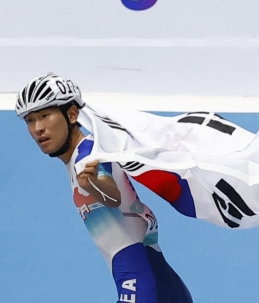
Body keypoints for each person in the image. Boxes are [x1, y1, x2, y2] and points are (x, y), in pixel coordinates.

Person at [16, 73, 193, 303]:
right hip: (155, 271)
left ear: (71, 114)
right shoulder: (80, 156)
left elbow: (112, 196)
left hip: (135, 274)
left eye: (45, 115)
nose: (38, 128)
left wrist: (96, 184)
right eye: (30, 120)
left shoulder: (88, 155)